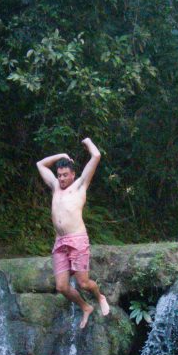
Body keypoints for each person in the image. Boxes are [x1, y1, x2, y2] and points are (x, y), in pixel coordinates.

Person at [36, 137, 111, 329]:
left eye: (65, 175)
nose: (61, 178)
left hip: (77, 239)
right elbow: (40, 164)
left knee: (84, 283)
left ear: (73, 174)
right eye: (59, 175)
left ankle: (99, 296)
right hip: (60, 241)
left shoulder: (80, 186)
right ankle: (86, 307)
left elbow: (96, 155)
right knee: (61, 286)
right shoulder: (55, 187)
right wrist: (61, 155)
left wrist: (87, 142)